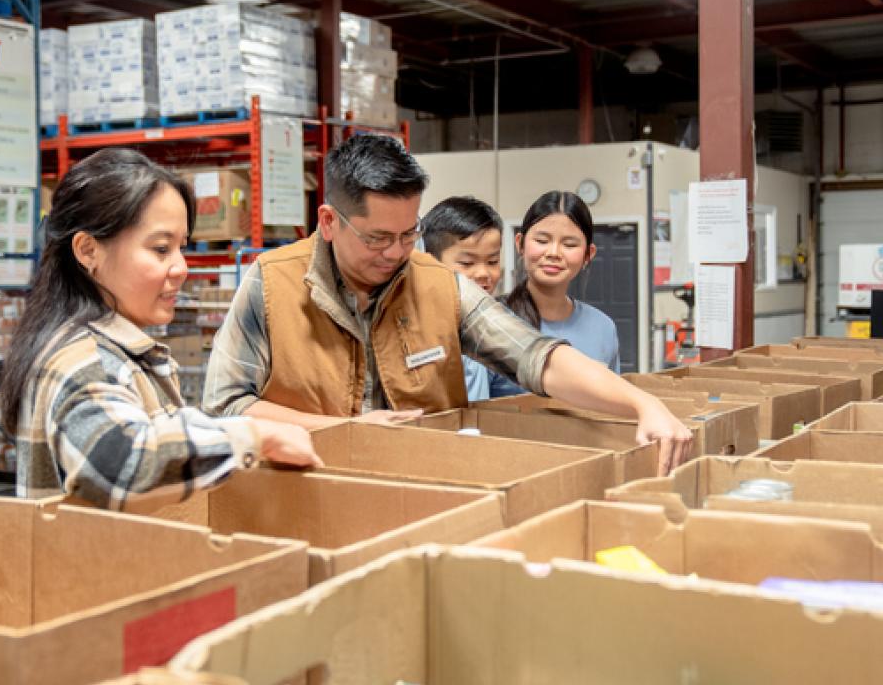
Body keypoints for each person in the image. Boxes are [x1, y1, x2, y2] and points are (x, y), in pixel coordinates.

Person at [203, 133, 693, 475]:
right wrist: (347, 429)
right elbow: (226, 407)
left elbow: (535, 356)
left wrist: (641, 403)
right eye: (377, 237)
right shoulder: (270, 285)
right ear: (330, 221)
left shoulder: (438, 285)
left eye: (408, 233)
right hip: (309, 495)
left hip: (427, 495)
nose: (396, 252)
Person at [1, 148, 322, 511]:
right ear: (88, 249)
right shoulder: (83, 361)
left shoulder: (118, 351)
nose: (181, 267)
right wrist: (253, 437)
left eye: (181, 247)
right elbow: (121, 466)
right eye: (160, 249)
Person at [491, 190, 618, 397]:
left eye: (569, 244)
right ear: (520, 244)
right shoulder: (492, 321)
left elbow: (612, 404)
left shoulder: (603, 328)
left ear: (588, 254)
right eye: (542, 241)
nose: (554, 253)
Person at [420, 195, 503, 402]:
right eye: (467, 263)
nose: (484, 273)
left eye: (492, 261)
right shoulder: (420, 327)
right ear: (430, 262)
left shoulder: (489, 325)